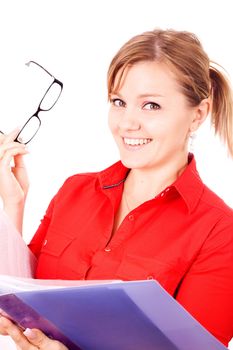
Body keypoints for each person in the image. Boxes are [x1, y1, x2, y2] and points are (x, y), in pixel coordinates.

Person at [0, 28, 233, 350]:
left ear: (198, 115)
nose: (126, 123)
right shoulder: (75, 190)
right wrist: (13, 205)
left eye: (151, 106)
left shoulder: (220, 231)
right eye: (118, 102)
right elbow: (17, 300)